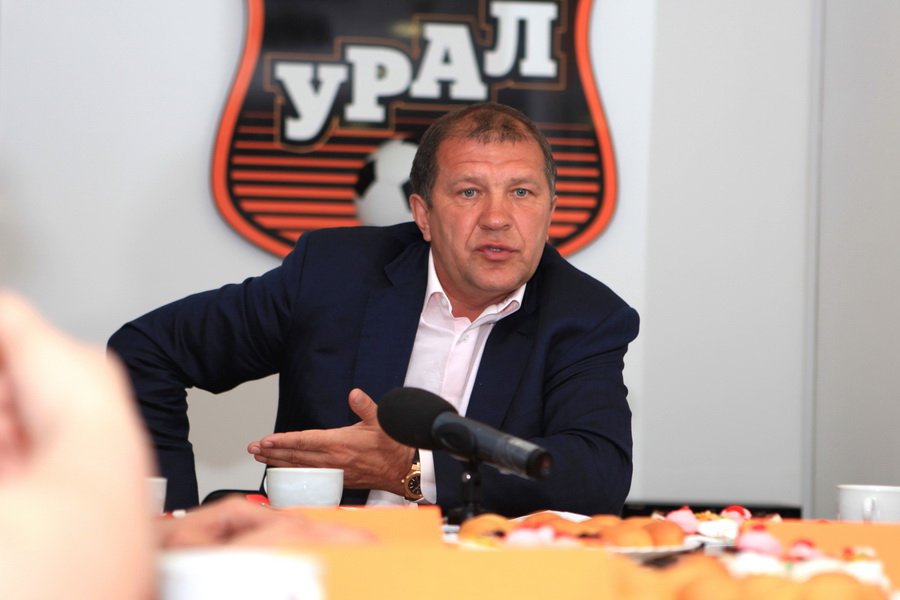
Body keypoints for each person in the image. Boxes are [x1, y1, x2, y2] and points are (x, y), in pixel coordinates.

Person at [109, 102, 639, 517]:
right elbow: (146, 353)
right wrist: (171, 523)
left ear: (550, 211)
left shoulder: (585, 316)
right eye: (469, 192)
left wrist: (411, 469)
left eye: (521, 192)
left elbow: (596, 475)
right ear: (423, 215)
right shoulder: (334, 275)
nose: (497, 218)